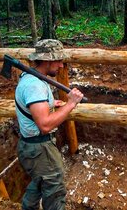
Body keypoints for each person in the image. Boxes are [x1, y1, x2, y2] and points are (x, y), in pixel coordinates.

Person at [15, 39, 84, 210]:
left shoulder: (32, 78)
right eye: (58, 60)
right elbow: (45, 125)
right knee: (54, 188)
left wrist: (51, 104)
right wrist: (70, 104)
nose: (61, 65)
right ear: (47, 60)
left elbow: (34, 106)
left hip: (31, 146)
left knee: (38, 183)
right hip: (39, 149)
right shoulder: (34, 86)